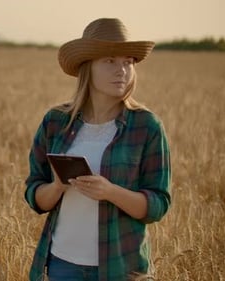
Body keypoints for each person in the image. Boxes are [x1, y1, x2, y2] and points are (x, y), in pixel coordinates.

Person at [24, 18, 171, 281]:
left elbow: (158, 205)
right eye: (110, 61)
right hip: (62, 265)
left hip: (123, 268)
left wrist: (110, 192)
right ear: (87, 68)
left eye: (128, 62)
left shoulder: (147, 126)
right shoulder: (56, 121)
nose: (122, 70)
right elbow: (34, 195)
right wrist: (56, 186)